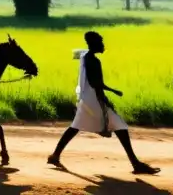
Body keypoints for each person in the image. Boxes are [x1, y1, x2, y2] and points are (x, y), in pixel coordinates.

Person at [47, 31, 159, 175]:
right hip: (94, 99)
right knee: (120, 127)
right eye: (100, 42)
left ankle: (55, 155)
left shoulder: (86, 57)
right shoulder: (93, 60)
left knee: (76, 127)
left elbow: (95, 83)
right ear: (94, 44)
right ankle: (135, 164)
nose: (103, 45)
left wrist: (107, 92)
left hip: (88, 99)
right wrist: (109, 95)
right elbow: (96, 83)